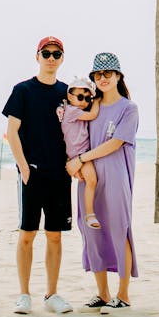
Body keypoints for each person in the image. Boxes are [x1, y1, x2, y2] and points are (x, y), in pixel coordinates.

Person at [2, 36, 73, 315]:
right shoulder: (22, 90)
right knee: (27, 234)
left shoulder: (68, 93)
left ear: (62, 58)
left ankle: (52, 295)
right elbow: (12, 132)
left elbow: (78, 130)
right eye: (47, 53)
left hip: (60, 175)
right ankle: (24, 295)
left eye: (56, 54)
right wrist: (23, 168)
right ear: (37, 56)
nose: (51, 58)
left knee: (55, 236)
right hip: (32, 174)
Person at [65, 52, 138, 312]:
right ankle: (103, 293)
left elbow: (116, 143)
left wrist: (81, 158)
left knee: (119, 231)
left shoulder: (128, 109)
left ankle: (124, 294)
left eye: (108, 73)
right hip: (89, 178)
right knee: (92, 233)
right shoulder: (89, 107)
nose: (103, 78)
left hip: (116, 177)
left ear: (118, 76)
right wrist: (74, 163)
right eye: (98, 75)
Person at [57, 76, 101, 229]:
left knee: (90, 181)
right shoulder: (72, 111)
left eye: (88, 98)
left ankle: (89, 213)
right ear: (69, 96)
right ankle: (89, 214)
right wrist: (96, 102)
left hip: (78, 153)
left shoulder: (77, 110)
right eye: (80, 97)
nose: (84, 101)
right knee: (92, 181)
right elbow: (93, 115)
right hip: (78, 154)